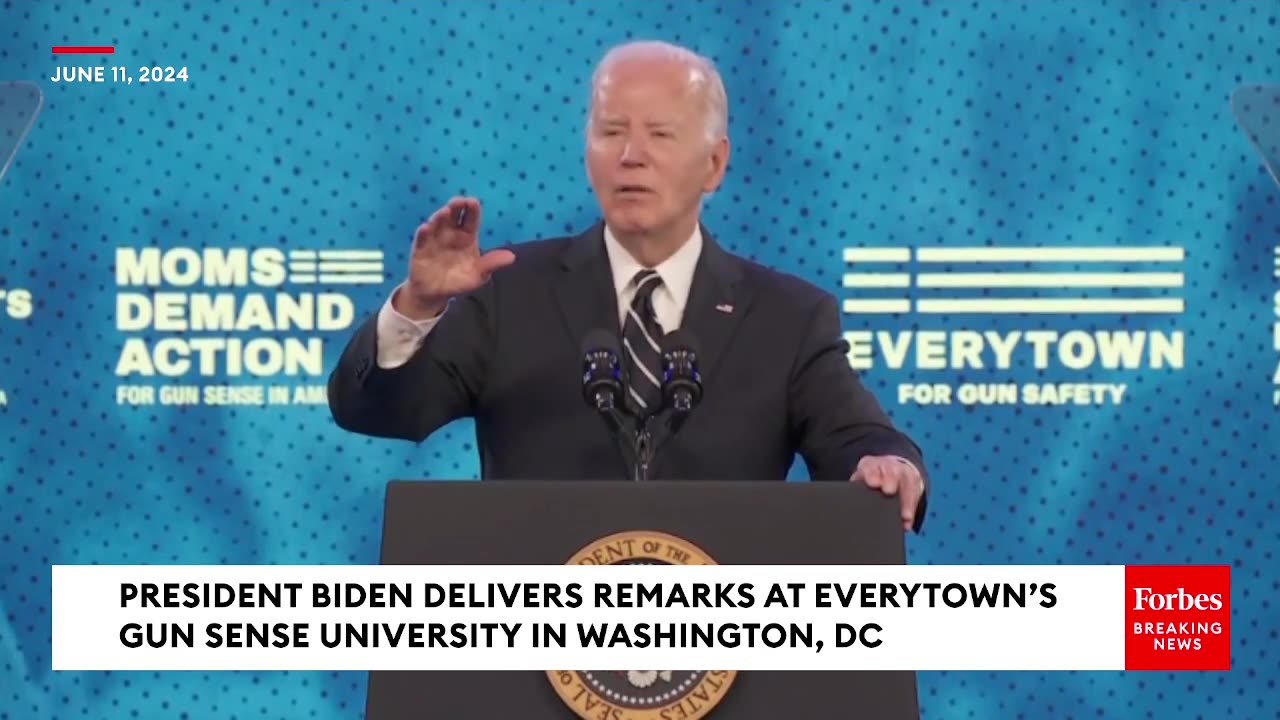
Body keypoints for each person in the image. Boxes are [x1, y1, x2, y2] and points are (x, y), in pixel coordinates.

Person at [327, 40, 931, 531]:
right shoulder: (510, 291)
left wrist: (888, 465)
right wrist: (419, 307)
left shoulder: (786, 316)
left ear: (715, 164)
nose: (630, 155)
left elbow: (857, 438)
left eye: (660, 135)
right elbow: (378, 412)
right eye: (611, 131)